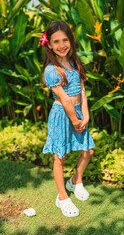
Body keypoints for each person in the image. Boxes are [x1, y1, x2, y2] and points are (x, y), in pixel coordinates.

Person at [40, 20, 95, 217]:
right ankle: (62, 197)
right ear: (49, 44)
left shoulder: (74, 62)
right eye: (56, 42)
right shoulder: (51, 70)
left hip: (78, 112)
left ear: (70, 41)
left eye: (65, 40)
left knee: (88, 150)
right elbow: (64, 99)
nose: (61, 45)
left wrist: (85, 115)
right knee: (60, 157)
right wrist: (74, 120)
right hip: (62, 116)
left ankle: (75, 181)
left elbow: (81, 90)